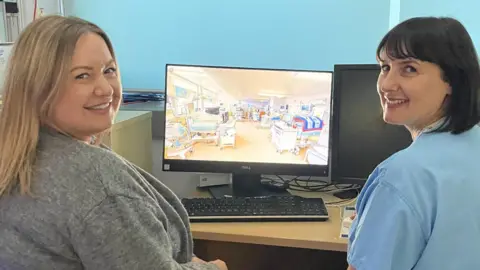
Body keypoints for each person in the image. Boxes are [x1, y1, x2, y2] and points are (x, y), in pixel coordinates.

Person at [0, 15, 227, 270]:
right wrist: (214, 268)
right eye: (82, 76)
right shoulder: (96, 181)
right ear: (39, 87)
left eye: (109, 71)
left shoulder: (17, 156)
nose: (106, 89)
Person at [347, 17, 480, 270]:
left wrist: (370, 232)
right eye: (385, 67)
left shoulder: (402, 176)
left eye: (409, 69)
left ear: (452, 79)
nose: (386, 84)